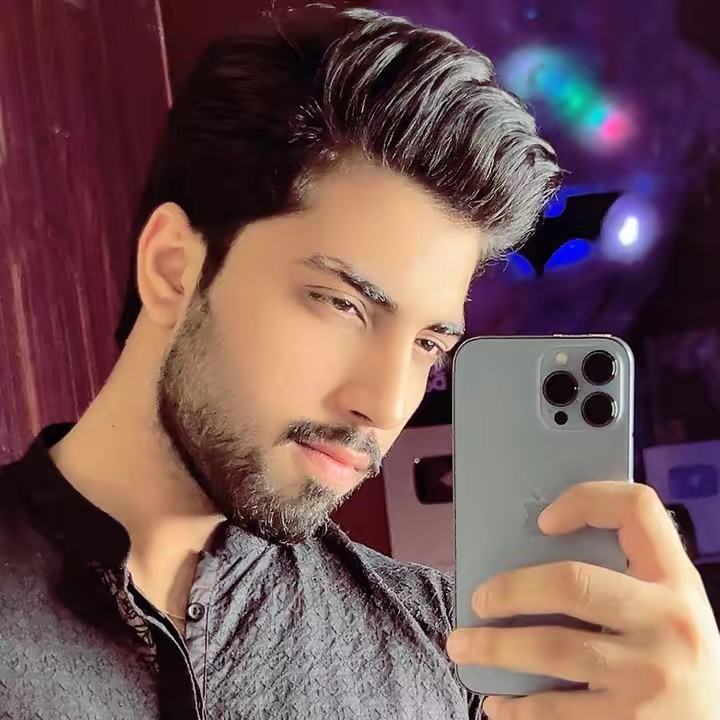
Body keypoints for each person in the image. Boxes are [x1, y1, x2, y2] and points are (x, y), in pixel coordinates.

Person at [1, 5, 717, 719]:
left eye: (429, 345)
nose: (385, 404)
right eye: (341, 304)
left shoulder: (456, 660)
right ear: (171, 268)